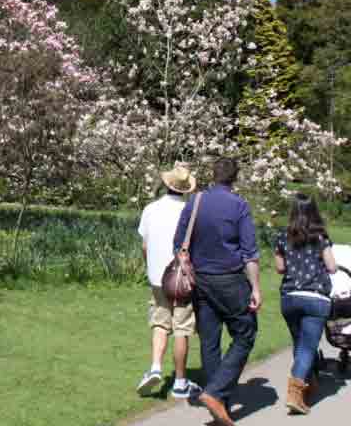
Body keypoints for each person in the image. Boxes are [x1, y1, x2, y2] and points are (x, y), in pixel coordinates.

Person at [173, 157, 261, 426]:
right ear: (235, 178)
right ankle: (216, 393)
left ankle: (217, 399)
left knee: (209, 341)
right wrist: (256, 287)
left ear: (213, 175)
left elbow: (178, 244)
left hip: (200, 281)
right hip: (230, 280)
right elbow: (249, 254)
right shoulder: (239, 205)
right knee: (245, 333)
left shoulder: (195, 202)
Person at [135, 165, 202, 400]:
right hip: (181, 280)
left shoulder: (151, 209)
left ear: (166, 184)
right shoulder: (191, 212)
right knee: (182, 328)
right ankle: (180, 382)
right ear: (185, 189)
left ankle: (155, 367)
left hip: (157, 278)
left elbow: (145, 246)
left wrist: (151, 267)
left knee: (160, 324)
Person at [274, 193, 337, 415]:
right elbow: (331, 267)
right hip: (315, 297)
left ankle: (307, 384)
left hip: (290, 297)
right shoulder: (320, 236)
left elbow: (280, 267)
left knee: (299, 345)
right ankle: (295, 393)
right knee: (307, 347)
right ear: (314, 211)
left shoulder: (283, 235)